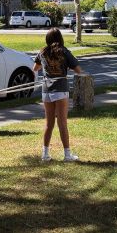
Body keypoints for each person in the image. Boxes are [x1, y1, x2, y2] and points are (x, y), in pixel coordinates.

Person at [33, 27, 81, 162]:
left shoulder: (42, 52)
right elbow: (78, 69)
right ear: (60, 38)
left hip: (46, 90)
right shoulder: (64, 51)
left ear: (47, 39)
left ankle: (45, 154)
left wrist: (45, 69)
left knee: (49, 124)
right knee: (62, 123)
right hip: (60, 89)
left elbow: (35, 68)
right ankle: (67, 155)